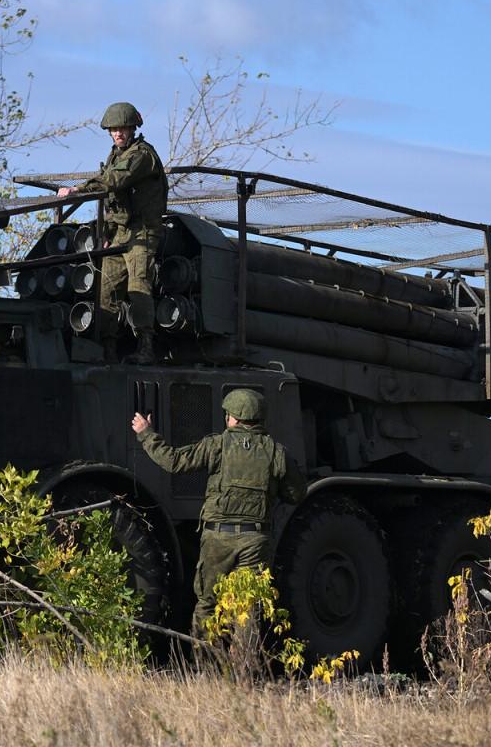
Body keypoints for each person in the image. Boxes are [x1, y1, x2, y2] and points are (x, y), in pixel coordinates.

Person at [130, 388, 304, 634]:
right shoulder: (277, 452)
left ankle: (207, 666)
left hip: (217, 539)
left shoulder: (217, 445)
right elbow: (296, 494)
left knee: (208, 605)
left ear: (232, 418)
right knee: (247, 608)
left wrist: (146, 434)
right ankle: (244, 667)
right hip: (255, 540)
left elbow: (174, 461)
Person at [58, 102, 167, 364]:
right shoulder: (114, 157)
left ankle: (146, 348)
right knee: (106, 290)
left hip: (142, 231)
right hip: (120, 232)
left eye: (123, 128)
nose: (118, 133)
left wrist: (77, 190)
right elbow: (113, 201)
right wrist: (106, 231)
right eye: (113, 129)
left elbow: (115, 181)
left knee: (138, 285)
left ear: (133, 129)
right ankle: (106, 348)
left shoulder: (142, 155)